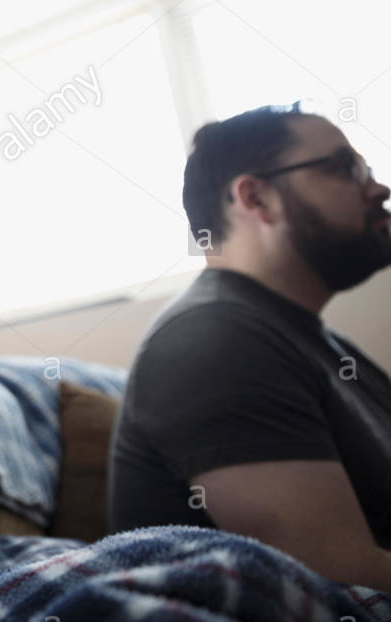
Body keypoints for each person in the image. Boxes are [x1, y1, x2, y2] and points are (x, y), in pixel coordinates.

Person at [108, 104, 391, 593]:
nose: (380, 188)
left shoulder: (321, 344)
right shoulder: (212, 337)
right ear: (256, 197)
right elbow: (338, 581)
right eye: (345, 167)